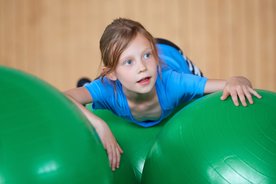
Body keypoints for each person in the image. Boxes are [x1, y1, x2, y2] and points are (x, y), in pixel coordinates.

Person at [64, 18, 261, 171]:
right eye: (129, 62)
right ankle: (86, 85)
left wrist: (238, 80)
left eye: (147, 56)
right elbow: (62, 98)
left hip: (170, 53)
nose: (142, 67)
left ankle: (142, 56)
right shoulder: (108, 87)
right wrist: (100, 125)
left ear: (154, 57)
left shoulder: (174, 82)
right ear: (112, 73)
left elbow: (234, 83)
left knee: (204, 100)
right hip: (121, 72)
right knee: (91, 94)